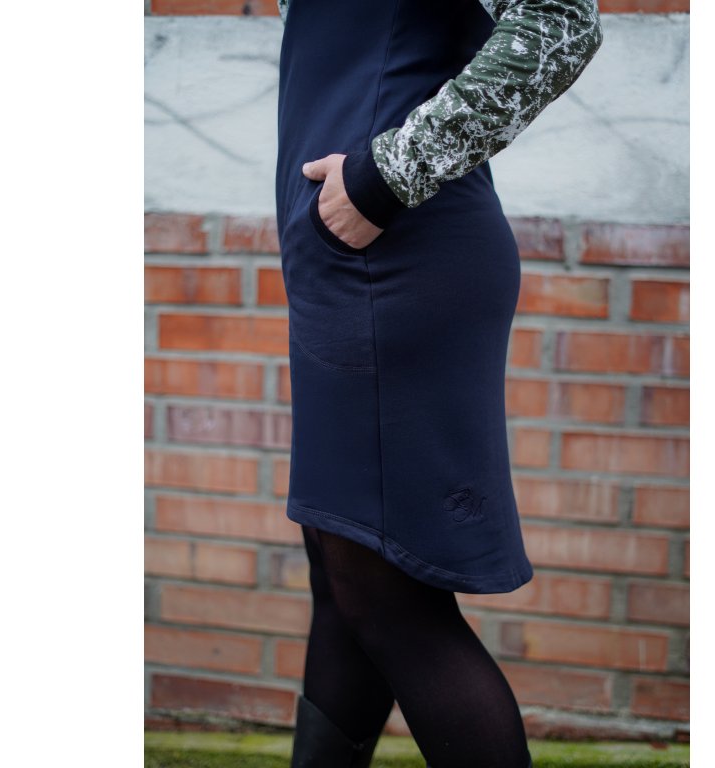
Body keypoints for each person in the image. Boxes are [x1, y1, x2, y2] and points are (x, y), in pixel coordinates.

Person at [272, 1, 603, 765]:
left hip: (394, 259)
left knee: (387, 596)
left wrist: (382, 179)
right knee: (345, 573)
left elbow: (559, 19)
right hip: (347, 269)